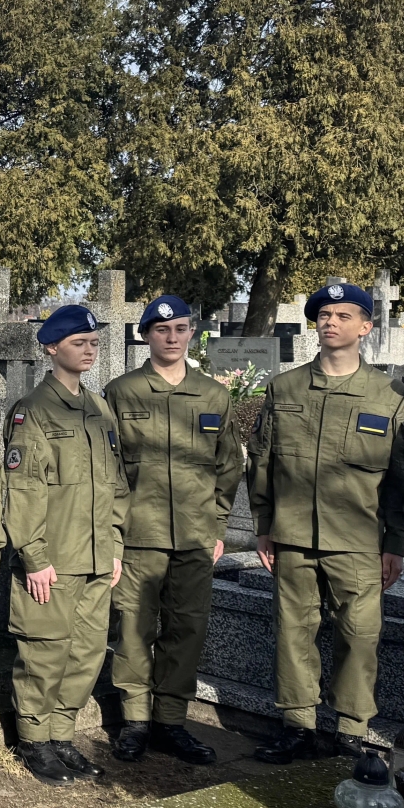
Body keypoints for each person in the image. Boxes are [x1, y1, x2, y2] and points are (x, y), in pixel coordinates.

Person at [248, 281, 404, 762]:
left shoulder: (388, 393)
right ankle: (298, 725)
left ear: (365, 327)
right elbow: (262, 462)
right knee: (293, 631)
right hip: (294, 534)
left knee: (360, 636)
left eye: (344, 315)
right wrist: (263, 526)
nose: (331, 321)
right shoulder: (286, 388)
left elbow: (402, 476)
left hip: (359, 539)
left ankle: (351, 727)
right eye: (324, 314)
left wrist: (396, 543)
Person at [104, 296, 243, 765]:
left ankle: (170, 721)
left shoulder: (213, 395)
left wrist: (218, 523)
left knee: (187, 630)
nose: (171, 337)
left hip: (195, 535)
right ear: (146, 335)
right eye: (161, 330)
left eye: (180, 329)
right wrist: (112, 532)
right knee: (134, 631)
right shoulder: (122, 393)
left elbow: (227, 465)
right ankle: (135, 721)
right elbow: (109, 469)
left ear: (191, 333)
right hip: (138, 533)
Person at [3, 303, 127, 786]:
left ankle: (61, 734)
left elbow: (117, 484)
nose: (90, 350)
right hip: (54, 557)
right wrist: (33, 556)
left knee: (87, 652)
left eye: (94, 342)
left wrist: (114, 545)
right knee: (44, 652)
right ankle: (33, 739)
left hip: (96, 556)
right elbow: (23, 490)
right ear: (52, 348)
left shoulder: (98, 409)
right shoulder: (31, 411)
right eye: (79, 343)